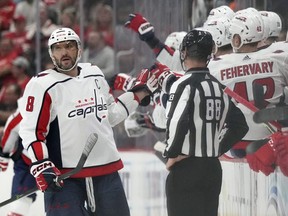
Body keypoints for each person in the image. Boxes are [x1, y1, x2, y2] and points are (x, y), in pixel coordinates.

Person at [18, 27, 151, 216]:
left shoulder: (94, 73)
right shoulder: (41, 85)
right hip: (65, 177)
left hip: (106, 171)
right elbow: (31, 132)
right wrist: (42, 165)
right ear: (51, 53)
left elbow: (110, 116)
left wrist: (136, 96)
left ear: (79, 49)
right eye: (58, 48)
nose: (64, 52)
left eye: (69, 46)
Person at [148, 29, 248, 216]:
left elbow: (178, 121)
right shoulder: (218, 87)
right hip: (212, 169)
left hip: (185, 168)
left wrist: (172, 154)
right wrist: (215, 149)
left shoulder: (183, 84)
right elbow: (240, 125)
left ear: (184, 53)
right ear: (209, 54)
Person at [208, 10, 288, 175]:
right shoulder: (279, 57)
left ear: (237, 39)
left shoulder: (215, 66)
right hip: (274, 137)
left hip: (236, 144)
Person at [0, 103, 36, 216]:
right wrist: (4, 153)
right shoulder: (25, 112)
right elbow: (12, 127)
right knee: (21, 197)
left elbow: (11, 126)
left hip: (62, 161)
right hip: (29, 161)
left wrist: (4, 153)